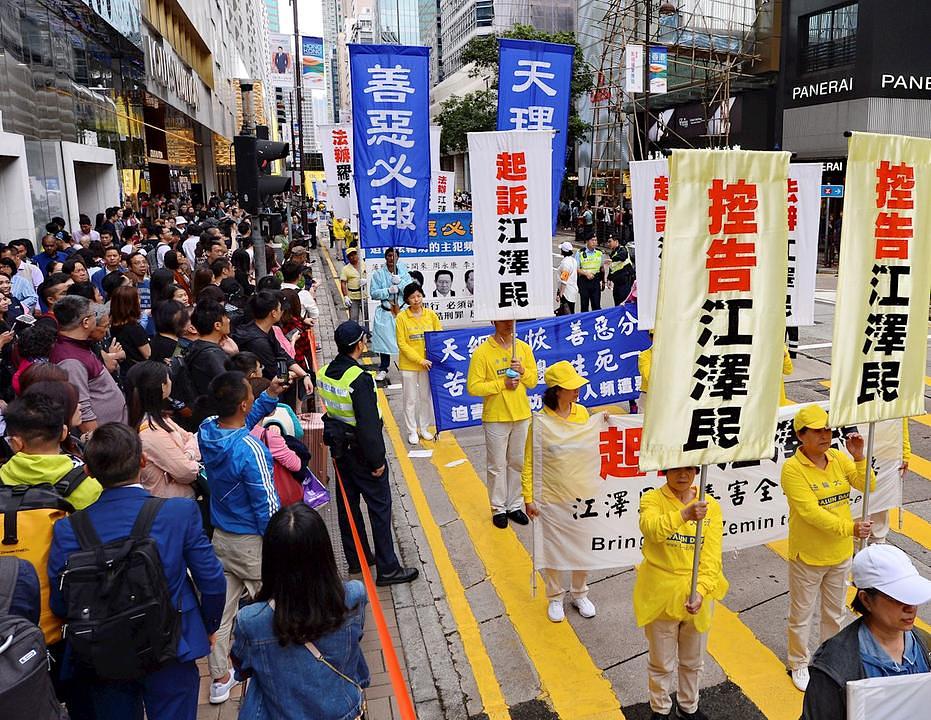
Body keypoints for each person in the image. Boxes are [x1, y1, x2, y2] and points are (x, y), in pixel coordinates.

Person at [47, 423, 226, 720]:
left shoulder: (69, 529)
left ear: (89, 471)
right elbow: (212, 580)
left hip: (103, 652)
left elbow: (61, 599)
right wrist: (208, 624)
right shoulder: (178, 513)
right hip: (171, 641)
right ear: (142, 461)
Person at [231, 504, 369, 720]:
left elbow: (241, 667)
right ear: (325, 553)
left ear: (270, 561)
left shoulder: (251, 620)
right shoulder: (353, 596)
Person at [197, 371, 286, 704]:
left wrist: (268, 398)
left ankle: (220, 679)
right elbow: (266, 501)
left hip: (221, 538)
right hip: (253, 544)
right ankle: (285, 668)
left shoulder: (207, 429)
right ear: (244, 403)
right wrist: (278, 541)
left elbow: (237, 420)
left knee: (221, 613)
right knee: (277, 607)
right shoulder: (251, 449)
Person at [780, 404, 874, 692]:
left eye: (828, 429)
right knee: (802, 613)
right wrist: (850, 529)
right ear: (801, 435)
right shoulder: (792, 469)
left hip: (840, 553)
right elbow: (810, 513)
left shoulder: (836, 457)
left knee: (834, 613)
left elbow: (867, 484)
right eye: (818, 430)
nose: (825, 435)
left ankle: (828, 659)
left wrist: (859, 457)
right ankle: (798, 662)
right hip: (808, 555)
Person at [317, 320, 418, 585]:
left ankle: (357, 558)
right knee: (380, 509)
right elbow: (369, 426)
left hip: (341, 452)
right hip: (362, 452)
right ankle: (388, 569)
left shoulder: (324, 372)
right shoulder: (359, 379)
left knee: (347, 507)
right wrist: (377, 462)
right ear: (358, 345)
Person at [634, 466, 727, 720]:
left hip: (696, 596)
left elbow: (711, 558)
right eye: (676, 469)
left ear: (697, 471)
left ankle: (688, 707)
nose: (683, 475)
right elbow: (651, 529)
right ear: (665, 470)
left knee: (693, 660)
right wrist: (683, 515)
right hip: (660, 592)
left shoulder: (711, 507)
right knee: (661, 662)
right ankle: (660, 709)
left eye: (689, 469)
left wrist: (700, 590)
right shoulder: (651, 499)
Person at [801, 544, 931, 720]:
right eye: (897, 597)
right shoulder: (833, 668)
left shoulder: (924, 643)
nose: (910, 607)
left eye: (912, 594)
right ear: (866, 599)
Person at [521, 361, 597, 622]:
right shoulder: (540, 422)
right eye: (571, 387)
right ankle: (555, 598)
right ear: (556, 391)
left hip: (582, 494)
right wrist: (528, 497)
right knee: (553, 549)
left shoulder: (583, 414)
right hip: (551, 497)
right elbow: (529, 461)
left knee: (581, 547)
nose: (577, 391)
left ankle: (579, 593)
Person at [466, 319, 537, 528]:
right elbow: (474, 387)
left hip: (522, 415)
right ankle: (498, 508)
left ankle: (514, 505)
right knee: (497, 465)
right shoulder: (482, 352)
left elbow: (532, 382)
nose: (509, 324)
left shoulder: (523, 348)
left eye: (511, 320)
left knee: (518, 463)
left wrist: (523, 370)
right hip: (496, 417)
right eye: (504, 320)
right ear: (493, 321)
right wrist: (502, 384)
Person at [50, 295, 127, 430]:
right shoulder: (70, 361)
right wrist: (96, 441)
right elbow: (82, 408)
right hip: (106, 439)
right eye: (93, 315)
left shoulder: (81, 346)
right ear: (86, 322)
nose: (95, 319)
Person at [127, 361, 200, 499]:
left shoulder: (159, 418)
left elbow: (190, 437)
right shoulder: (151, 431)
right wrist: (189, 456)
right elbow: (186, 472)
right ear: (162, 386)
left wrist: (186, 455)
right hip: (171, 504)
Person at [231, 291, 314, 393]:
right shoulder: (258, 343)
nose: (282, 311)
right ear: (273, 313)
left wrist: (304, 375)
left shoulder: (266, 329)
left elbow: (282, 354)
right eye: (280, 309)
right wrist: (298, 374)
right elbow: (274, 372)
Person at [395, 283, 441, 444]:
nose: (416, 299)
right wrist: (420, 360)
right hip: (409, 365)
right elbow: (402, 343)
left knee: (425, 398)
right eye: (413, 297)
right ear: (407, 299)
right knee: (410, 399)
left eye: (419, 296)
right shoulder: (401, 318)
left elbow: (438, 337)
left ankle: (424, 428)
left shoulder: (431, 315)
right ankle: (412, 431)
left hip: (428, 365)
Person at [369, 247, 412, 382]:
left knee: (404, 340)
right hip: (386, 312)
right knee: (384, 342)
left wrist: (400, 283)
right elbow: (373, 293)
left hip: (401, 311)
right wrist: (388, 290)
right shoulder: (378, 274)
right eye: (389, 256)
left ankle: (407, 366)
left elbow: (410, 290)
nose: (391, 259)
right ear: (385, 257)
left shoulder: (404, 273)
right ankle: (383, 368)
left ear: (398, 258)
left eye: (394, 256)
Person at [110, 284, 151, 372]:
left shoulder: (112, 325)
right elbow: (148, 354)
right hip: (139, 372)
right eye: (138, 299)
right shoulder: (134, 328)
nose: (140, 301)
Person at [576, 235, 604, 312]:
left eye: (596, 240)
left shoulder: (599, 253)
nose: (594, 242)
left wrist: (603, 281)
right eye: (592, 240)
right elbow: (577, 269)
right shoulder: (580, 253)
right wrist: (586, 274)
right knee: (584, 305)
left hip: (595, 281)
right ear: (587, 241)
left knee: (596, 305)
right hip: (584, 281)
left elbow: (602, 268)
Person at [606, 234, 635, 306]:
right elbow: (612, 267)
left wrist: (612, 259)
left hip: (625, 282)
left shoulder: (623, 249)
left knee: (624, 303)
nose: (608, 244)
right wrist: (609, 279)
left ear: (616, 241)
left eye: (610, 241)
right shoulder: (613, 253)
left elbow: (622, 256)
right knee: (617, 302)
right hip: (617, 282)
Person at [339, 248, 364, 323]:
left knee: (368, 318)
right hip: (353, 297)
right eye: (351, 255)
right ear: (348, 258)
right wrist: (345, 296)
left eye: (354, 254)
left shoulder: (364, 264)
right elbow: (343, 283)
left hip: (365, 295)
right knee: (353, 319)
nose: (353, 257)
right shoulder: (345, 269)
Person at [555, 241, 579, 314]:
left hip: (566, 292)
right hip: (573, 289)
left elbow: (564, 280)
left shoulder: (565, 263)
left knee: (566, 311)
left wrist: (560, 294)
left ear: (563, 251)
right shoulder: (573, 260)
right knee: (570, 309)